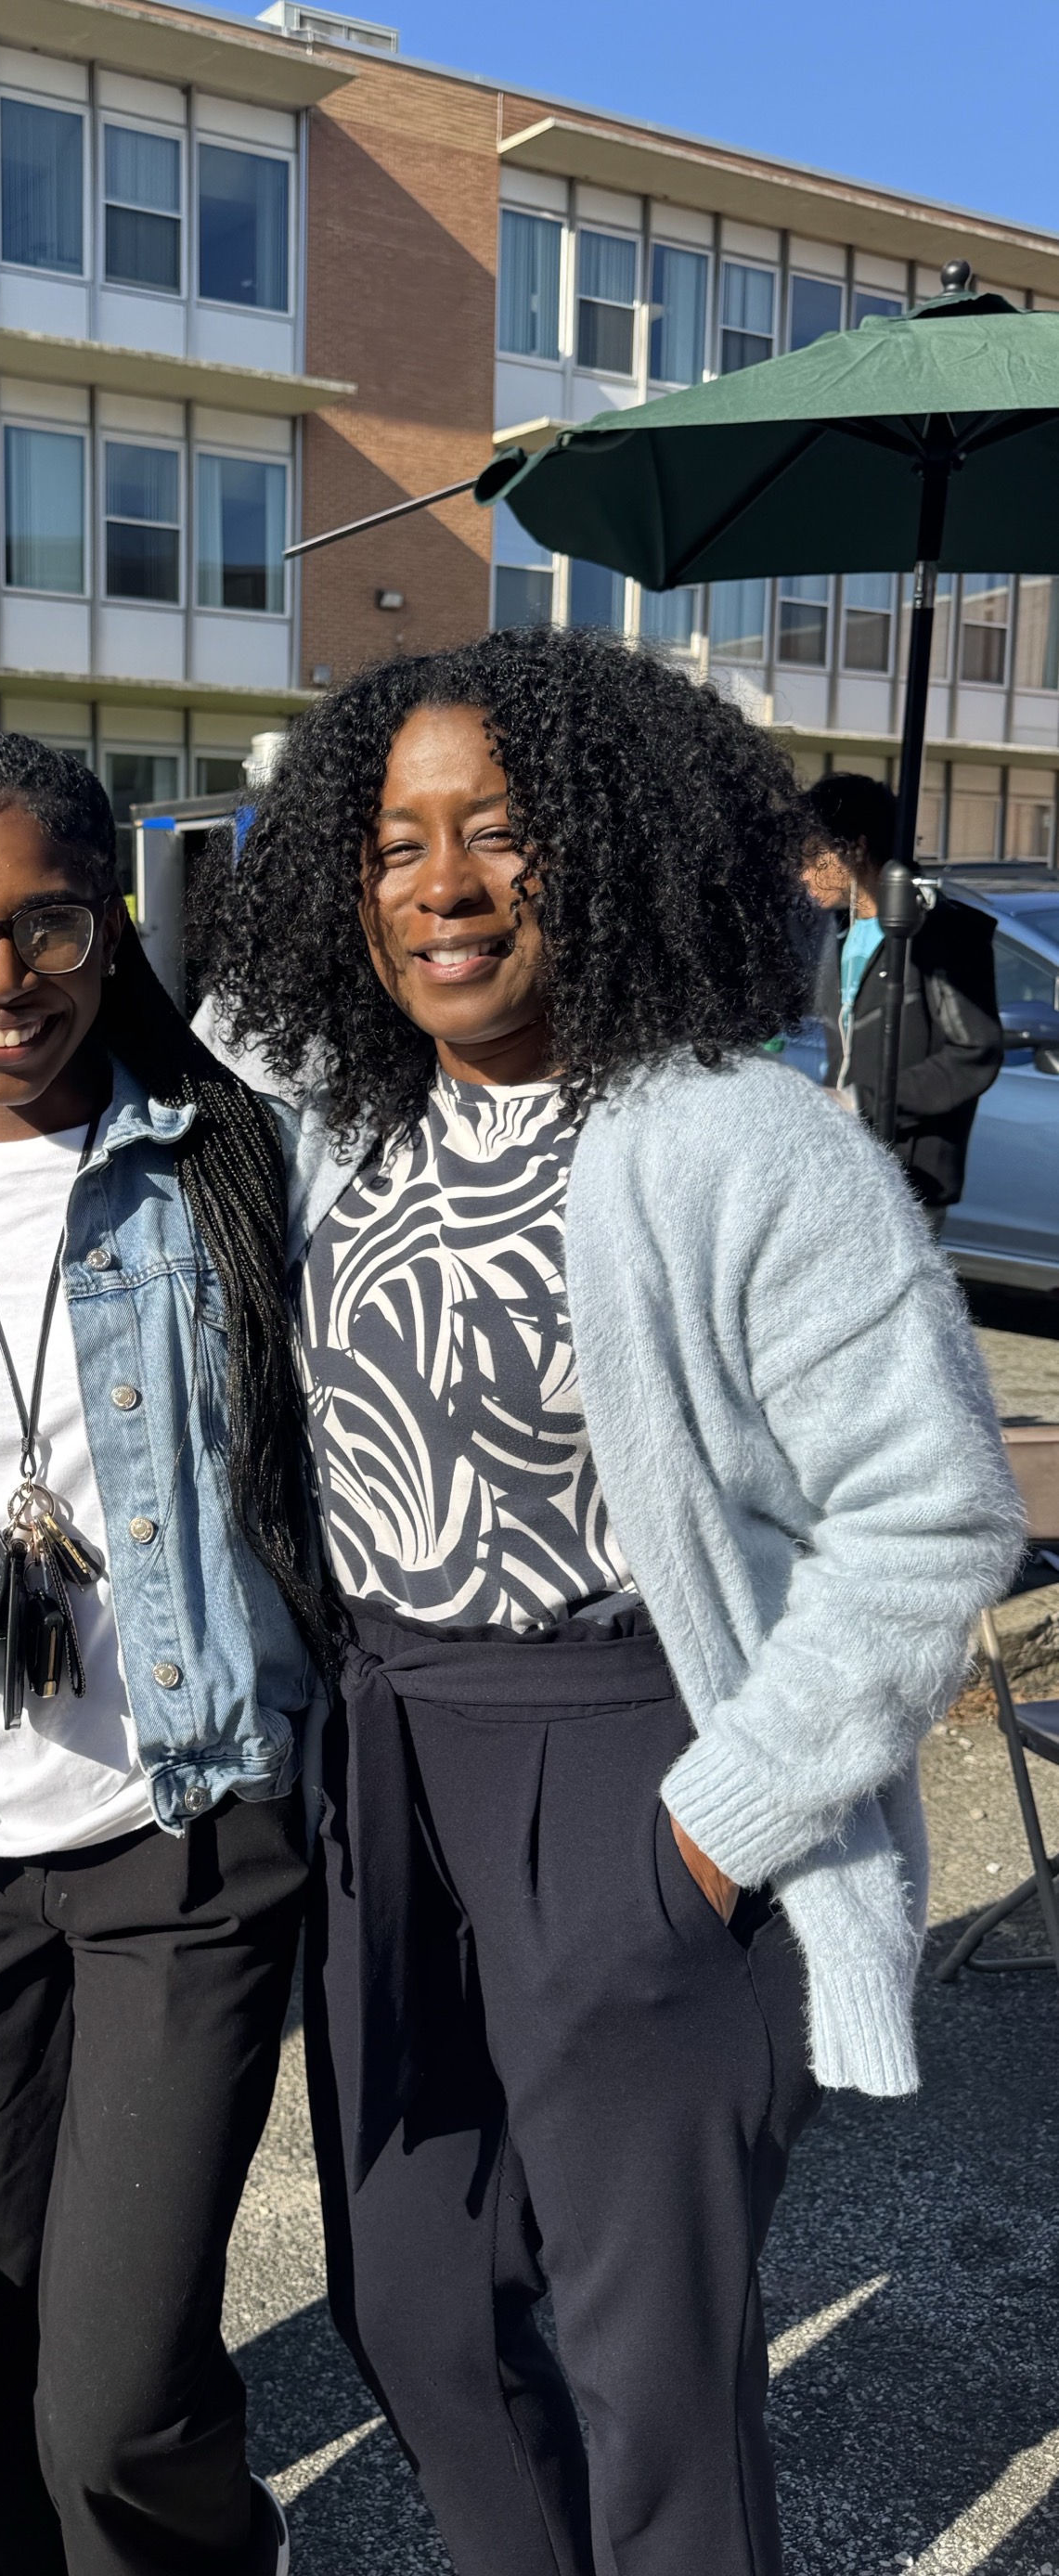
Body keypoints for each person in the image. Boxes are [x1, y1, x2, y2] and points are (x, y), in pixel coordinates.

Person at [188, 630, 1021, 2576]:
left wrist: (718, 1831)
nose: (443, 882)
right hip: (389, 1766)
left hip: (633, 1763)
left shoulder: (742, 1143)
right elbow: (215, 1013)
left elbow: (933, 1515)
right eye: (394, 841)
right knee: (411, 2302)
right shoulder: (347, 1115)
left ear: (619, 849)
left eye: (503, 831)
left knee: (656, 2379)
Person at [0, 736, 339, 2576]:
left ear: (109, 928)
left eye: (46, 922)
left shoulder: (233, 1168)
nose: (1, 974)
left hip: (180, 1834)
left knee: (115, 2390)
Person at [803, 768, 1002, 1220]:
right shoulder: (836, 932)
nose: (804, 873)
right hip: (846, 1166)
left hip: (909, 1179)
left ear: (855, 847)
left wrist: (859, 1104)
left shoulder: (939, 933)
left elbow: (975, 1051)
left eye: (815, 856)